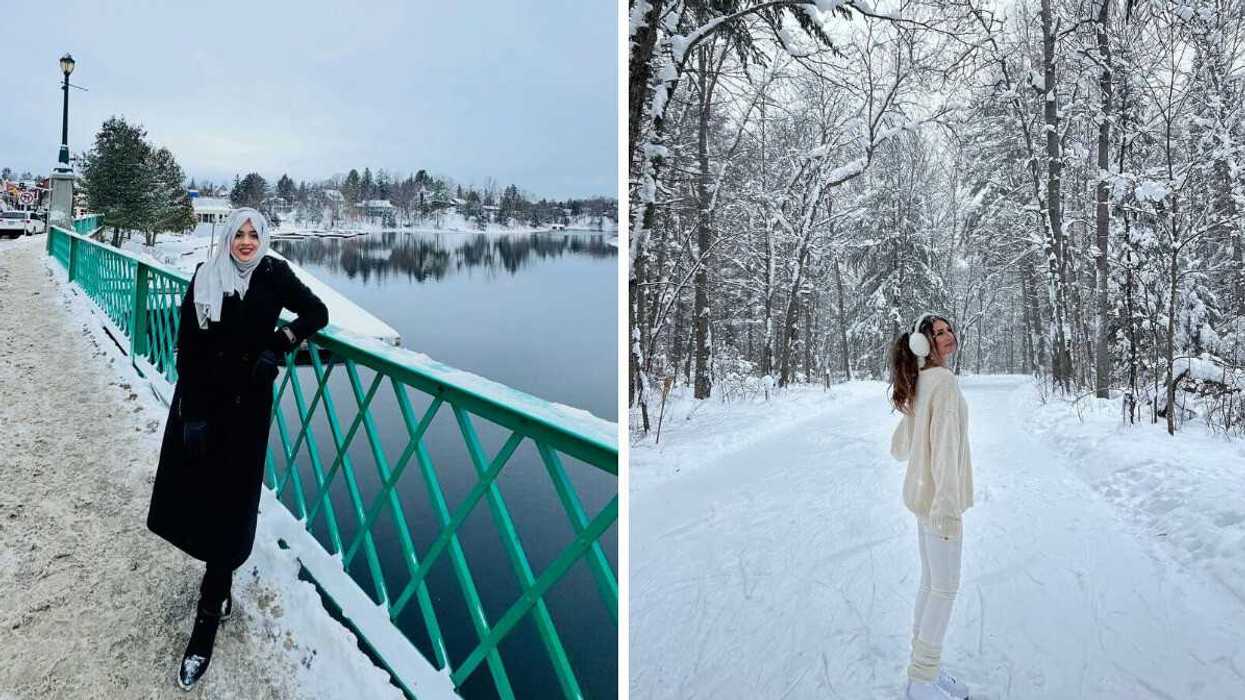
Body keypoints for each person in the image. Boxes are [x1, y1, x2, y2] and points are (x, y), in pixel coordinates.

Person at [146, 208, 328, 690]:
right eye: (239, 234)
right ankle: (218, 583)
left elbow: (317, 313)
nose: (246, 243)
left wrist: (281, 342)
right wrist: (194, 413)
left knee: (232, 504)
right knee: (201, 497)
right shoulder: (206, 277)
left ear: (264, 238)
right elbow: (188, 347)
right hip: (205, 406)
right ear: (227, 237)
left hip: (248, 410)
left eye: (254, 235)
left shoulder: (274, 274)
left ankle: (208, 617)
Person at [888, 313, 974, 700]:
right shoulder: (943, 384)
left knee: (930, 584)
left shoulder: (922, 382)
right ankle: (921, 681)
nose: (948, 336)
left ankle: (923, 670)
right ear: (924, 344)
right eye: (938, 333)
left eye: (948, 329)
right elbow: (945, 451)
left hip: (922, 500)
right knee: (945, 588)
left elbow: (901, 447)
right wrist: (948, 509)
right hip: (938, 504)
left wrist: (912, 408)